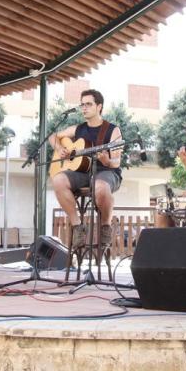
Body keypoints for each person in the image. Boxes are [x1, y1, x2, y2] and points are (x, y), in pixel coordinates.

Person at [50, 89, 122, 250]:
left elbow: (116, 162)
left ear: (99, 107)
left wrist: (107, 161)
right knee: (58, 179)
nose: (84, 108)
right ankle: (78, 227)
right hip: (82, 172)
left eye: (88, 104)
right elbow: (53, 136)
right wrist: (60, 148)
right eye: (82, 104)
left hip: (107, 172)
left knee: (100, 187)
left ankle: (105, 226)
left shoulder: (112, 130)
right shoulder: (78, 129)